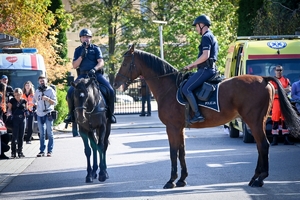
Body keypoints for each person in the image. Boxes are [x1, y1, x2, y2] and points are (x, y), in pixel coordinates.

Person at [64, 28, 116, 124]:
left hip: (95, 74)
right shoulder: (78, 50)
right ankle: (70, 115)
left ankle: (110, 114)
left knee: (111, 91)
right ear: (81, 39)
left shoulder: (95, 48)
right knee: (70, 92)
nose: (86, 39)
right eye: (83, 37)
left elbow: (101, 62)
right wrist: (81, 56)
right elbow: (75, 65)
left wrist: (94, 69)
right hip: (83, 75)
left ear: (90, 38)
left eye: (87, 37)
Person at [182, 14, 218, 123]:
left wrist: (191, 65)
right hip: (209, 69)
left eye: (196, 26)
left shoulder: (206, 37)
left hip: (205, 70)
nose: (196, 29)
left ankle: (198, 115)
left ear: (201, 25)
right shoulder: (211, 36)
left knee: (186, 89)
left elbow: (205, 55)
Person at [33, 76, 57, 157]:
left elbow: (55, 103)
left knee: (49, 133)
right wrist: (35, 106)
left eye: (43, 81)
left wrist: (47, 99)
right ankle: (42, 151)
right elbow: (34, 101)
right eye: (40, 81)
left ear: (46, 81)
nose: (42, 82)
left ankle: (50, 150)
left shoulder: (50, 90)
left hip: (48, 114)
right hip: (39, 114)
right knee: (41, 133)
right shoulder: (37, 91)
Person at [270, 65, 293, 145]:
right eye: (277, 70)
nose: (279, 72)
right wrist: (283, 90)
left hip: (284, 101)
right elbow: (272, 91)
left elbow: (289, 89)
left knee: (285, 120)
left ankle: (286, 139)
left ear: (282, 71)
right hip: (276, 102)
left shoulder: (286, 80)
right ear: (274, 71)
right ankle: (274, 140)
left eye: (280, 70)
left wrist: (278, 90)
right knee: (275, 121)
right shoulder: (272, 81)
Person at [7, 88, 27, 158]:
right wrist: (9, 114)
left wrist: (27, 113)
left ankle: (20, 152)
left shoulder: (24, 101)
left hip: (22, 119)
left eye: (18, 95)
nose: (17, 96)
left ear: (21, 94)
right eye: (15, 95)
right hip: (15, 119)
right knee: (14, 136)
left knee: (21, 136)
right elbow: (9, 109)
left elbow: (26, 109)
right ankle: (13, 152)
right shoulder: (12, 100)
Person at [0, 82, 10, 159]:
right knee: (4, 137)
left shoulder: (3, 97)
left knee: (5, 136)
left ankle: (2, 152)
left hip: (2, 120)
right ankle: (2, 152)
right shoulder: (0, 96)